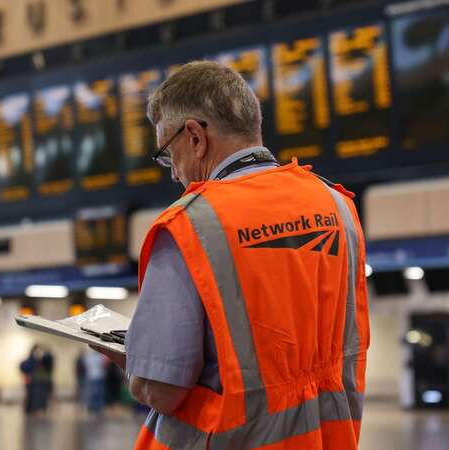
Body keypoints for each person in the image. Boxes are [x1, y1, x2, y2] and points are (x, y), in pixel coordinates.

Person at [95, 61, 370, 449]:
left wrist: (135, 363)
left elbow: (162, 389)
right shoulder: (336, 206)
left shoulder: (191, 225)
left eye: (167, 154)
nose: (173, 173)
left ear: (194, 136)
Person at [20, 345, 54, 415]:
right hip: (31, 379)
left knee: (32, 394)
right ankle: (30, 409)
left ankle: (31, 409)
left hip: (34, 379)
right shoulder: (33, 359)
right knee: (31, 394)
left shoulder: (35, 359)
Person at [81, 349, 107, 417]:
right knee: (97, 392)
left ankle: (93, 408)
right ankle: (97, 408)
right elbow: (104, 363)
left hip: (92, 376)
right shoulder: (99, 356)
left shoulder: (88, 356)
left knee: (93, 392)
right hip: (98, 376)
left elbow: (85, 364)